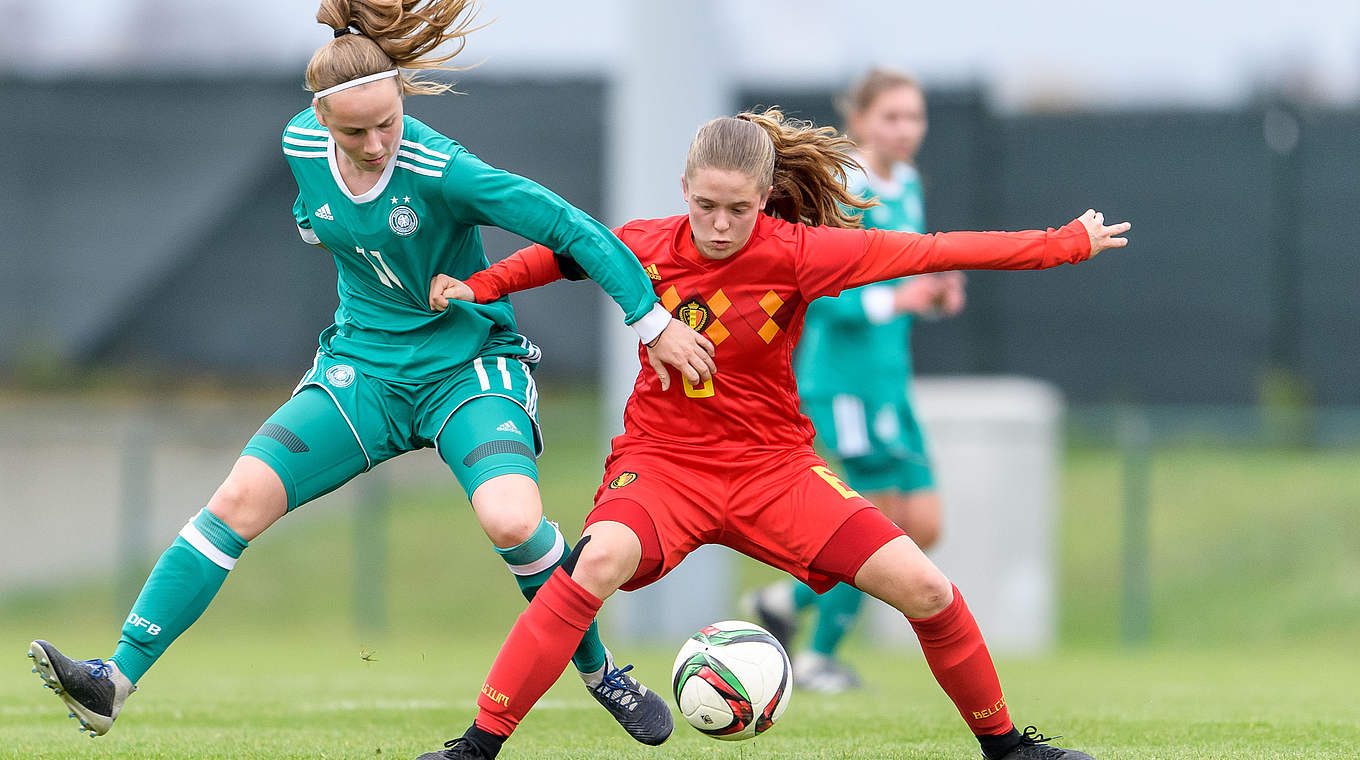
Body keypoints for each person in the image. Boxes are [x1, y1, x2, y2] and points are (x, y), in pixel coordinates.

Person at [25, 0, 717, 746]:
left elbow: (573, 229)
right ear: (322, 120)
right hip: (366, 371)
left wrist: (654, 324)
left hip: (469, 372)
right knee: (237, 499)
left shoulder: (441, 169)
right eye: (357, 130)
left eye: (388, 120)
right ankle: (113, 681)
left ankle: (600, 673)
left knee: (513, 521)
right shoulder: (299, 145)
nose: (379, 141)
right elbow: (316, 213)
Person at [417, 107, 1129, 759]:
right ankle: (476, 749)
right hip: (664, 466)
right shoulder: (643, 246)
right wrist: (482, 287)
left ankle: (1007, 749)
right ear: (684, 188)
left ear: (763, 199)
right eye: (704, 206)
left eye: (737, 209)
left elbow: (934, 250)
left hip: (774, 471)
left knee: (928, 589)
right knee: (591, 566)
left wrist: (1060, 244)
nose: (720, 225)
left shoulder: (799, 253)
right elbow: (561, 255)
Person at [743, 68, 964, 693]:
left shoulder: (910, 183)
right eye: (891, 116)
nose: (905, 129)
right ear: (860, 121)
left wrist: (936, 294)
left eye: (915, 117)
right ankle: (817, 658)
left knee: (923, 525)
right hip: (843, 383)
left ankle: (786, 603)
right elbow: (822, 295)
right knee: (879, 523)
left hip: (890, 381)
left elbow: (906, 276)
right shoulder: (847, 191)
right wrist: (901, 301)